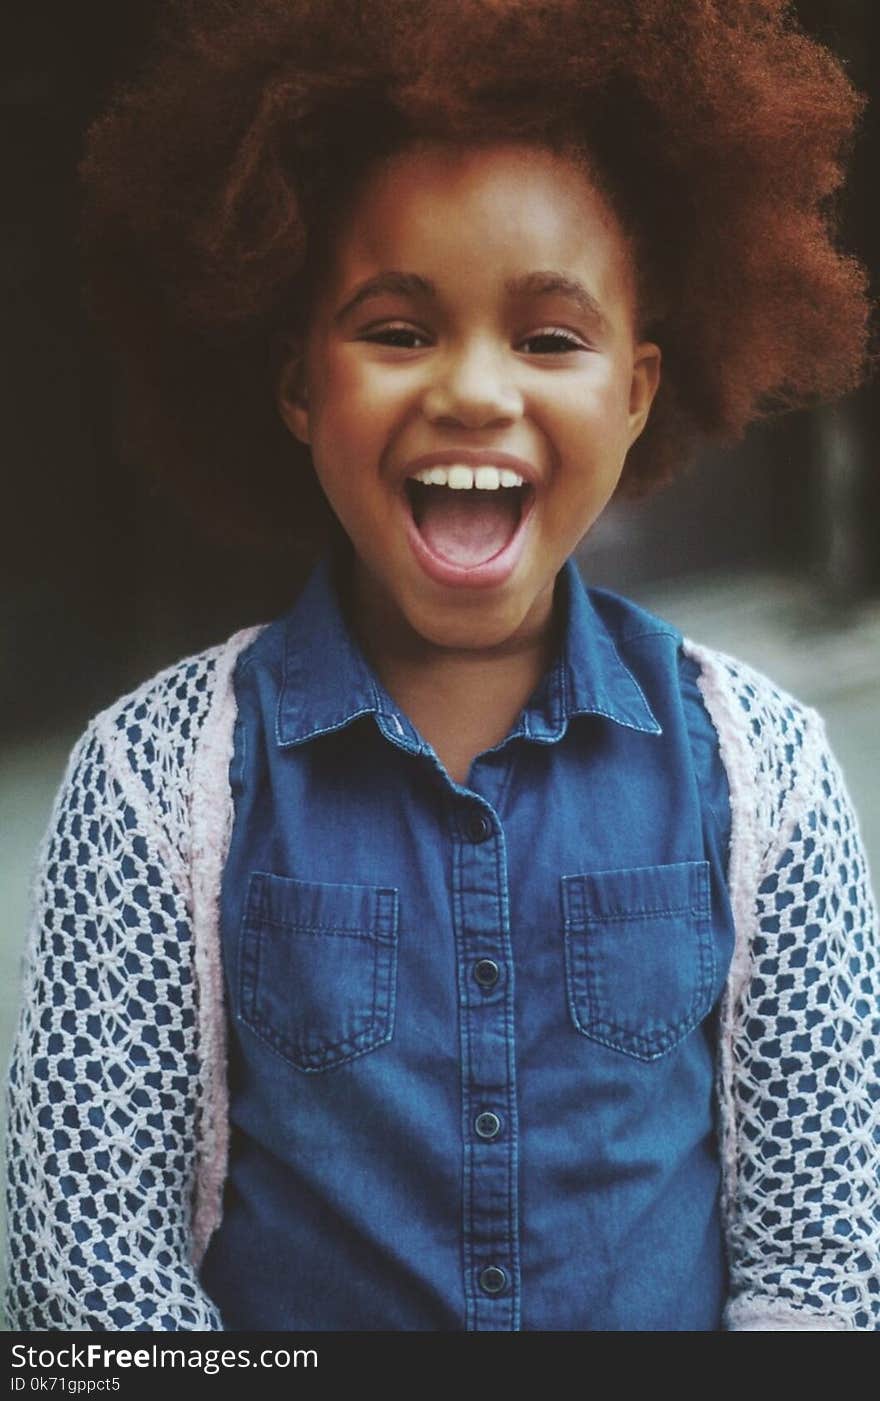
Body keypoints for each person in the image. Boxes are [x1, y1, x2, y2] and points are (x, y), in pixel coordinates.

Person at [5, 0, 879, 1331]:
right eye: (399, 329)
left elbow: (827, 1255)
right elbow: (88, 1274)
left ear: (639, 389)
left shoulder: (767, 773)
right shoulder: (147, 784)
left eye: (549, 338)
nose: (477, 391)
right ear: (297, 381)